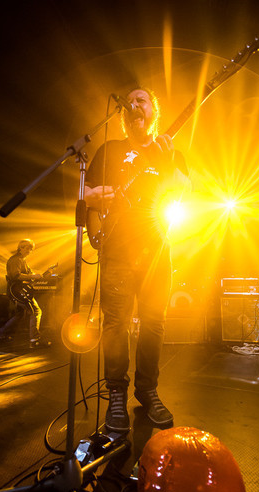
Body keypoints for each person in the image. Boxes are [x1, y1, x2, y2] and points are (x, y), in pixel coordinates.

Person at [85, 86, 191, 432]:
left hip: (156, 246)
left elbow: (186, 190)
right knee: (115, 323)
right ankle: (116, 394)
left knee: (153, 322)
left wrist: (165, 163)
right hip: (116, 247)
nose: (134, 105)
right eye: (129, 102)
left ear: (153, 111)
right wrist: (93, 200)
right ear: (123, 114)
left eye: (141, 100)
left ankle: (147, 390)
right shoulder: (109, 149)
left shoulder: (168, 150)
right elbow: (85, 194)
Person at [0, 239, 51, 349]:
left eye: (31, 249)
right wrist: (33, 276)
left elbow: (28, 274)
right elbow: (16, 276)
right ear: (21, 247)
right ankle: (35, 340)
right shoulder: (16, 260)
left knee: (19, 314)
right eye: (28, 248)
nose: (30, 251)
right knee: (36, 311)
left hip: (17, 291)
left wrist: (41, 274)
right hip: (17, 291)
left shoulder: (22, 260)